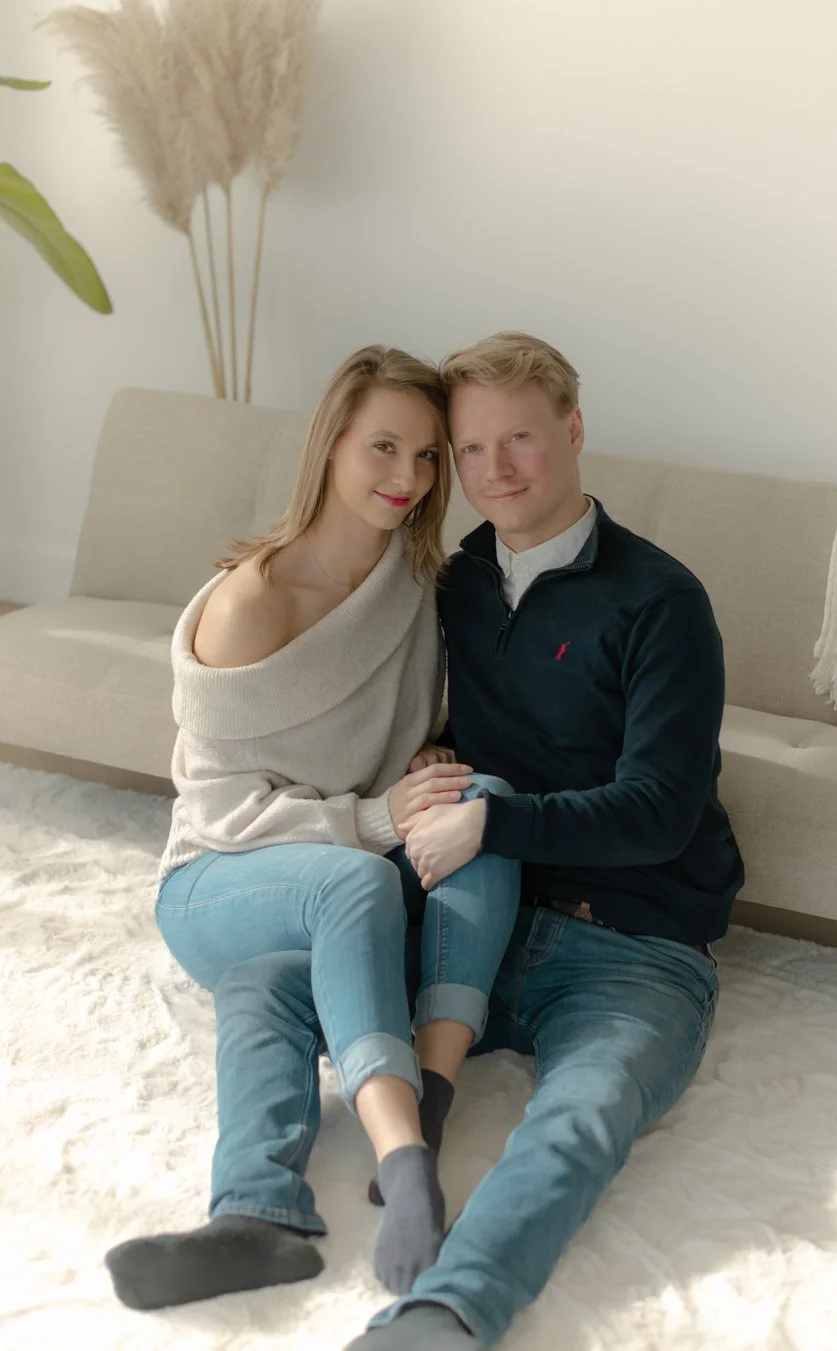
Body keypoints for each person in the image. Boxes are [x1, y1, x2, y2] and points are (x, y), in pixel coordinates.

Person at [345, 332, 745, 1351]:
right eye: (470, 450)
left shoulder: (663, 601)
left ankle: (444, 1311)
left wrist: (495, 816)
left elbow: (659, 805)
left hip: (633, 944)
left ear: (572, 430)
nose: (496, 471)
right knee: (296, 966)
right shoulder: (454, 579)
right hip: (482, 910)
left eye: (519, 438)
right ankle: (256, 1205)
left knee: (584, 1117)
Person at [103, 346, 521, 1312]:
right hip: (220, 879)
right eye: (383, 446)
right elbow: (222, 810)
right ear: (331, 442)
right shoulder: (252, 604)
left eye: (425, 457)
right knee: (356, 881)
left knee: (474, 808)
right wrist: (374, 817)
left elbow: (422, 727)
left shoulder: (416, 584)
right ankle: (408, 1154)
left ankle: (258, 1218)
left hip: (332, 897)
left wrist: (429, 761)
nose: (407, 479)